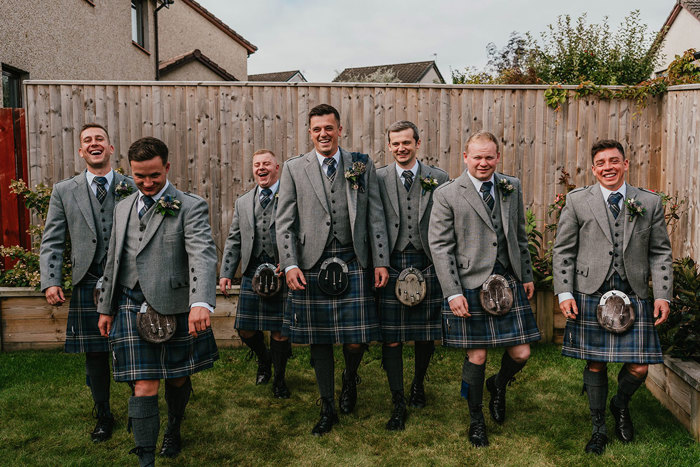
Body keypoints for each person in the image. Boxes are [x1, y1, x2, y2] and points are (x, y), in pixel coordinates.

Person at [97, 137, 219, 466]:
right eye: (139, 176)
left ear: (166, 167)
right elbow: (113, 260)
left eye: (154, 175)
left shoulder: (189, 206)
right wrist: (105, 307)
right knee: (144, 383)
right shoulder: (122, 207)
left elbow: (203, 256)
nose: (147, 183)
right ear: (131, 172)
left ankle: (175, 425)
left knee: (177, 378)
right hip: (128, 302)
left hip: (175, 304)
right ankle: (145, 458)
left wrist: (201, 302)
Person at [276, 103, 390, 436]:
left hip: (353, 259)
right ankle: (327, 405)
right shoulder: (295, 168)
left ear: (340, 130)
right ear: (309, 133)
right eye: (317, 129)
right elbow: (284, 223)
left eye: (329, 128)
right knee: (319, 341)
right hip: (311, 263)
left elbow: (376, 216)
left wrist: (380, 260)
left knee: (356, 340)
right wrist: (290, 264)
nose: (323, 134)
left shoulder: (361, 164)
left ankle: (349, 378)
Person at [553, 139, 672, 455]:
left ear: (626, 164)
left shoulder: (649, 201)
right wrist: (564, 292)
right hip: (591, 292)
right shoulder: (579, 201)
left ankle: (620, 404)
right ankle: (598, 428)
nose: (608, 167)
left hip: (635, 294)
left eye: (614, 161)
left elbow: (660, 252)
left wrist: (663, 295)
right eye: (602, 162)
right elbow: (563, 251)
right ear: (594, 169)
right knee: (595, 363)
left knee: (640, 367)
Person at [429, 130, 540, 447]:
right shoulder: (448, 194)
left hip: (507, 282)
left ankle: (499, 383)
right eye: (477, 156)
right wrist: (453, 292)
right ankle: (476, 419)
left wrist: (526, 274)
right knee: (476, 355)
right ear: (465, 157)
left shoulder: (511, 186)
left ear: (498, 157)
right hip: (469, 285)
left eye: (489, 156)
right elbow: (440, 247)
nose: (483, 162)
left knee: (521, 352)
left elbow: (518, 235)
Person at [40, 123, 135, 442]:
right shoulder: (63, 190)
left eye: (100, 139)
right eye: (87, 141)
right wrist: (51, 279)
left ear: (110, 148)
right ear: (81, 151)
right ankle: (104, 413)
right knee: (95, 353)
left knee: (133, 347)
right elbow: (52, 239)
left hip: (126, 282)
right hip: (87, 281)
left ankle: (140, 408)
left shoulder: (132, 186)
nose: (94, 144)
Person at [376, 121, 448, 430]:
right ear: (389, 146)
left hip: (428, 261)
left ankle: (418, 382)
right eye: (395, 143)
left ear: (417, 143)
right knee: (391, 338)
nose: (401, 148)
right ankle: (398, 400)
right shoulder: (377, 179)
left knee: (425, 333)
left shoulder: (439, 178)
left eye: (407, 142)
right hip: (390, 264)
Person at [219, 149, 292, 398]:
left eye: (266, 164)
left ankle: (280, 380)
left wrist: (292, 261)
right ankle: (264, 359)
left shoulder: (290, 197)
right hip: (253, 272)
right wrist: (226, 272)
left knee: (280, 331)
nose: (261, 168)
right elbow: (234, 239)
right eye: (257, 165)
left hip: (281, 272)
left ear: (277, 167)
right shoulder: (243, 201)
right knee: (245, 329)